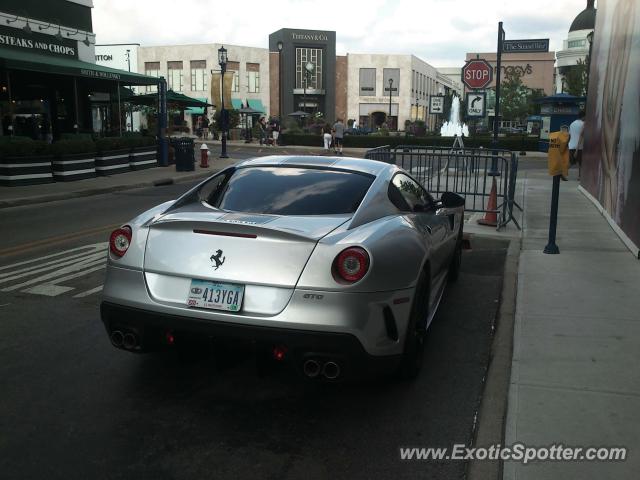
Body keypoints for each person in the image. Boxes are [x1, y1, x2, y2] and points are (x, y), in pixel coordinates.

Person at [568, 111, 585, 180]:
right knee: (581, 163)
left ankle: (562, 173)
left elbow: (570, 135)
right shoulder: (584, 124)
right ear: (584, 116)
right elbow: (582, 136)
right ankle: (580, 176)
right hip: (580, 147)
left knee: (571, 162)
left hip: (571, 145)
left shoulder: (572, 124)